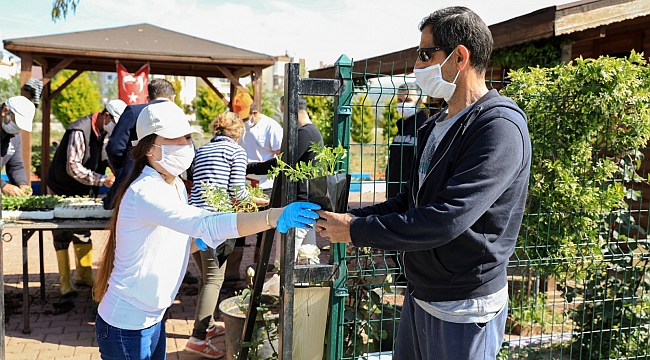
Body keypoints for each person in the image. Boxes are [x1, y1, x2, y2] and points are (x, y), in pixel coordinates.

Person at [315, 7, 531, 360]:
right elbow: (410, 201)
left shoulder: (498, 128)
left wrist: (356, 231)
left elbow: (446, 219)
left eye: (425, 54)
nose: (417, 65)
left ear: (460, 56)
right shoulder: (435, 125)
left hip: (464, 306)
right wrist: (345, 221)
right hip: (422, 293)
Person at [93, 101, 319, 360]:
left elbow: (164, 244)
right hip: (127, 324)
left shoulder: (175, 184)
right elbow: (207, 222)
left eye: (188, 138)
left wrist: (191, 244)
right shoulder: (146, 192)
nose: (186, 145)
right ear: (149, 148)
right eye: (176, 139)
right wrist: (272, 216)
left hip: (152, 319)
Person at [184, 111, 269, 358]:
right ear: (238, 133)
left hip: (193, 218)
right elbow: (238, 194)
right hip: (217, 221)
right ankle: (198, 338)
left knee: (205, 278)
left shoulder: (202, 150)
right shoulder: (236, 152)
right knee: (213, 280)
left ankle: (207, 325)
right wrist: (259, 202)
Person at [47, 99, 126, 298]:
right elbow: (73, 167)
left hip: (83, 188)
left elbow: (108, 158)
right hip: (61, 186)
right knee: (62, 232)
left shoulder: (105, 134)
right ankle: (65, 284)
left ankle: (83, 276)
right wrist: (102, 180)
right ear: (106, 116)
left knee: (83, 231)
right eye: (114, 124)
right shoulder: (79, 131)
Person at [247, 95, 323, 258]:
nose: (283, 118)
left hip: (297, 205)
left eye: (283, 112)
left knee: (286, 261)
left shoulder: (304, 134)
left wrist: (249, 167)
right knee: (308, 258)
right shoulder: (314, 132)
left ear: (290, 111)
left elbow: (281, 163)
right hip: (307, 202)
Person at [232, 92, 283, 277]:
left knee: (263, 231)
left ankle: (257, 274)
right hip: (242, 186)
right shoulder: (239, 128)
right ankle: (232, 275)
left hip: (265, 186)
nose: (243, 121)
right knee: (237, 230)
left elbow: (281, 157)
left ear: (255, 112)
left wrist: (256, 167)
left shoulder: (271, 127)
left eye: (245, 117)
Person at [386, 83, 427, 199]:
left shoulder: (424, 127)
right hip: (393, 194)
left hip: (410, 197)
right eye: (399, 100)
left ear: (419, 102)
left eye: (408, 100)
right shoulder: (401, 127)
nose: (402, 104)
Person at [1, 96, 35, 196]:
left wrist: (22, 184)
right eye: (16, 122)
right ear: (5, 111)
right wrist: (3, 185)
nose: (17, 128)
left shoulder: (15, 137)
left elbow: (15, 166)